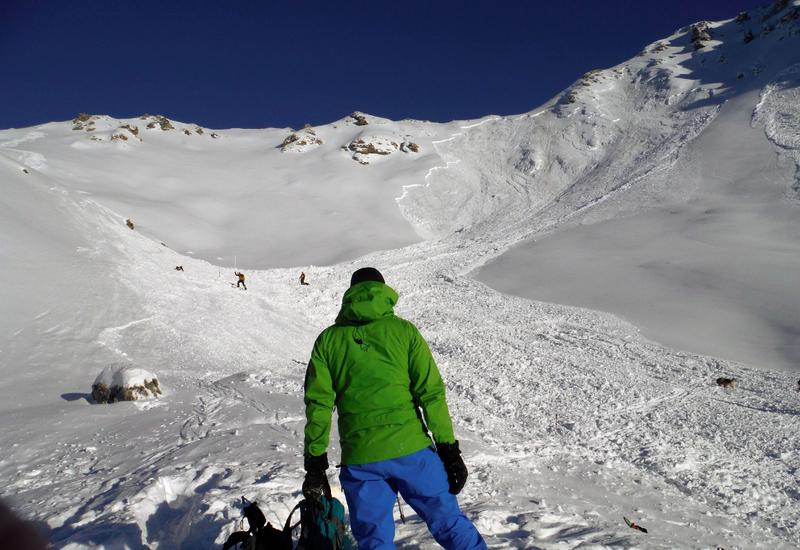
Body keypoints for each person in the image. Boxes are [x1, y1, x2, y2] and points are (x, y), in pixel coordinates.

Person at [302, 267, 486, 549]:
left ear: (350, 295)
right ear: (383, 292)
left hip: (361, 458)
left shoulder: (328, 341)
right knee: (449, 524)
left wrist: (315, 464)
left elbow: (319, 405)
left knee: (374, 540)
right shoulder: (405, 332)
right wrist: (449, 450)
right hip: (412, 451)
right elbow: (431, 394)